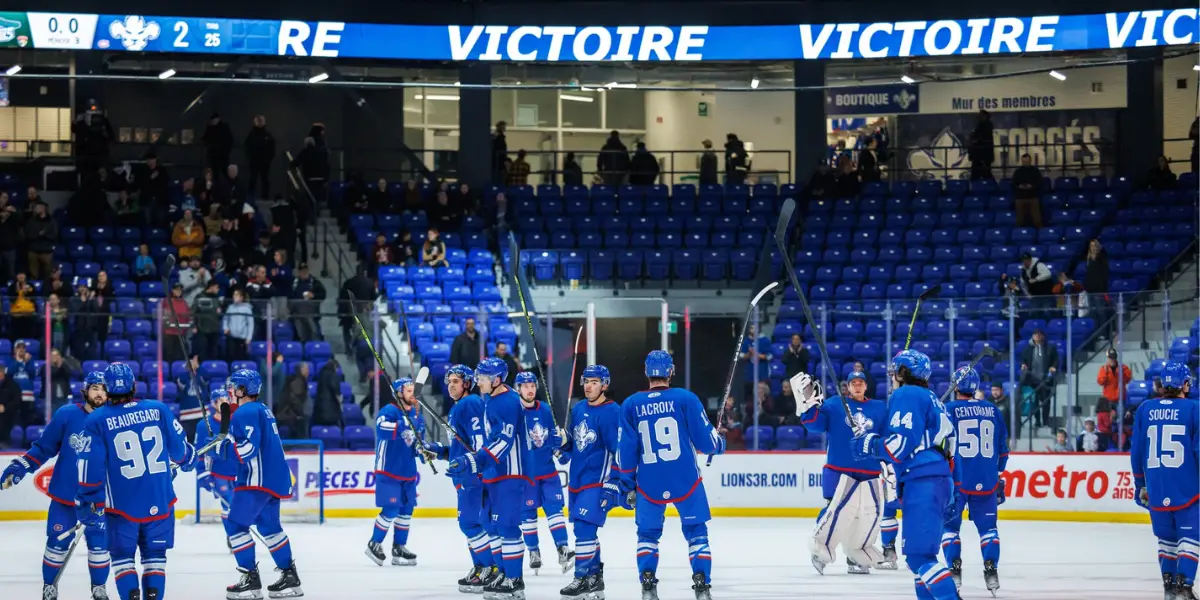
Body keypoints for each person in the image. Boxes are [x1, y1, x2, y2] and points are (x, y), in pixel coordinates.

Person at [76, 363, 197, 600]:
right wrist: (189, 458)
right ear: (133, 385)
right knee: (155, 560)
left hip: (122, 508)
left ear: (108, 388)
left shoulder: (97, 420)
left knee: (123, 560)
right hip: (160, 502)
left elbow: (90, 470)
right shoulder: (158, 409)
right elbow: (182, 453)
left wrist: (87, 500)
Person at [849, 349, 958, 600]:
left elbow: (899, 445)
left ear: (903, 372)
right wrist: (954, 490)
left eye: (895, 370)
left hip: (922, 481)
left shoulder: (906, 393)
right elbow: (952, 449)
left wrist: (869, 444)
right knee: (923, 559)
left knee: (919, 558)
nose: (892, 376)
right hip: (938, 481)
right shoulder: (934, 399)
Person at [615, 351, 723, 600]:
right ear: (671, 372)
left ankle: (648, 583)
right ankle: (701, 583)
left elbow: (626, 452)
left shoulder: (631, 404)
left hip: (649, 481)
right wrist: (719, 442)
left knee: (648, 535)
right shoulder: (686, 399)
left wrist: (627, 484)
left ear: (646, 372)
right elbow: (707, 444)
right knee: (696, 531)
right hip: (685, 478)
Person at [1, 371, 110, 600]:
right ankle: (49, 586)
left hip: (99, 500)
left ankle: (99, 589)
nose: (99, 394)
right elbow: (43, 447)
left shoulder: (114, 420)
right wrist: (21, 465)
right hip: (66, 496)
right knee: (56, 544)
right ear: (85, 391)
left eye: (103, 389)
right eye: (94, 388)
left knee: (100, 547)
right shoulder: (67, 415)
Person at [446, 357, 530, 598]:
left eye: (482, 378)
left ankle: (515, 580)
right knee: (493, 525)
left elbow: (503, 441)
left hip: (510, 473)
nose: (478, 382)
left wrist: (473, 460)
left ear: (496, 380)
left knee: (507, 525)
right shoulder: (490, 400)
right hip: (495, 472)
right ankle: (503, 573)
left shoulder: (507, 402)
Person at [795, 370, 888, 575]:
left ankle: (855, 555)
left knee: (866, 516)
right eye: (853, 382)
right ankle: (820, 551)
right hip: (839, 470)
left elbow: (888, 437)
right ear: (847, 386)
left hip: (869, 472)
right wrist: (808, 406)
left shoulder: (880, 408)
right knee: (834, 511)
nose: (857, 386)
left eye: (860, 382)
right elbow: (815, 426)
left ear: (866, 386)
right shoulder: (836, 404)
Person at [222, 369, 305, 599]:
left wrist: (224, 448)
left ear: (243, 390)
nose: (231, 391)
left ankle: (250, 580)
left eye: (234, 387)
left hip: (256, 480)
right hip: (272, 478)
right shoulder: (262, 409)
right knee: (270, 528)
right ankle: (290, 578)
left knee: (236, 526)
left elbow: (248, 449)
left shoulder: (245, 411)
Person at [423, 365, 498, 593]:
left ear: (467, 383)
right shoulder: (459, 407)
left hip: (473, 475)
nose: (451, 385)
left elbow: (478, 441)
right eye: (449, 382)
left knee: (470, 523)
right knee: (471, 523)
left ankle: (491, 568)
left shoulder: (470, 403)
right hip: (466, 474)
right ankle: (479, 567)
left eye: (456, 381)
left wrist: (476, 465)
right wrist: (438, 450)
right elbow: (458, 447)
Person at [1131, 362, 1198, 600]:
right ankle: (1184, 587)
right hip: (1188, 489)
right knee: (1190, 539)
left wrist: (1140, 484)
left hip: (1156, 490)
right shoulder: (1194, 409)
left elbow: (1137, 451)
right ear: (1186, 384)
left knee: (1167, 541)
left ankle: (1169, 588)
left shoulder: (1145, 409)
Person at [942, 366, 1008, 594]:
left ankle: (954, 569)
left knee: (950, 528)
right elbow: (1003, 450)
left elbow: (939, 445)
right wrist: (997, 472)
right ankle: (991, 570)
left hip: (956, 482)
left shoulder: (947, 409)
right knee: (988, 529)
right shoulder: (992, 409)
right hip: (986, 480)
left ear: (955, 385)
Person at [558, 364, 621, 600]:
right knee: (582, 529)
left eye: (595, 382)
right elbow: (576, 444)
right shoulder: (579, 408)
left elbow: (620, 451)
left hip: (598, 482)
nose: (589, 386)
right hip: (577, 481)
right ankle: (595, 579)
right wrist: (563, 443)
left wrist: (615, 481)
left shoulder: (613, 412)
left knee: (585, 528)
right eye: (586, 381)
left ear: (605, 385)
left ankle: (581, 577)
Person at [365, 377, 428, 567]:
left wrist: (423, 451)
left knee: (406, 510)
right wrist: (404, 425)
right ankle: (374, 544)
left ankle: (399, 547)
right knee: (391, 509)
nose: (412, 394)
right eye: (408, 391)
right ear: (399, 393)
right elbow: (382, 429)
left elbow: (418, 441)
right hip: (389, 470)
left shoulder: (417, 415)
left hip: (408, 471)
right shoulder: (389, 411)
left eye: (412, 390)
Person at [513, 371, 573, 574]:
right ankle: (533, 551)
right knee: (528, 515)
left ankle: (563, 549)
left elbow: (548, 438)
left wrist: (559, 449)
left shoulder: (545, 410)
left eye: (532, 385)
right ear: (518, 389)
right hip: (525, 475)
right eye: (525, 386)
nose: (529, 389)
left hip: (548, 472)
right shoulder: (514, 412)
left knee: (555, 510)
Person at [195, 389, 238, 525]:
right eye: (221, 401)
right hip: (219, 473)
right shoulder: (204, 426)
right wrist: (202, 473)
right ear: (214, 403)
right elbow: (199, 452)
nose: (225, 404)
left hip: (239, 471)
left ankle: (237, 537)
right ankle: (234, 536)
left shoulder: (237, 421)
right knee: (229, 505)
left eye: (227, 400)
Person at [1020, 329, 1059, 430]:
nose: (1037, 336)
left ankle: (1045, 420)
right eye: (1035, 334)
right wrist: (1023, 366)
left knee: (1046, 401)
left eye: (1039, 334)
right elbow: (1023, 361)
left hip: (1046, 379)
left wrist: (1053, 367)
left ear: (1043, 336)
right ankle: (1037, 421)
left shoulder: (1050, 347)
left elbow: (1056, 360)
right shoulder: (1027, 349)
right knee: (1034, 401)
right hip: (1032, 379)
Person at [244, 115, 276, 199]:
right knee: (253, 180)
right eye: (258, 121)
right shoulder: (252, 135)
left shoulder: (268, 135)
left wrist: (268, 159)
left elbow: (272, 149)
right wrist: (250, 157)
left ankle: (265, 197)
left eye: (261, 121)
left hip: (265, 163)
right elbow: (247, 147)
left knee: (265, 180)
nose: (260, 122)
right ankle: (250, 197)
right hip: (254, 161)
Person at [1011, 154, 1043, 228]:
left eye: (1027, 161)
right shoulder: (1018, 171)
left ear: (1030, 161)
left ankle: (1039, 230)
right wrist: (1019, 186)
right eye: (1024, 161)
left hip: (1032, 196)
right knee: (1019, 218)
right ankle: (1019, 231)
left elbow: (1039, 182)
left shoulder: (1035, 171)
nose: (1025, 162)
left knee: (1037, 217)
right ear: (1022, 161)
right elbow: (1014, 183)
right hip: (1020, 196)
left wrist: (1032, 186)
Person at [222, 288, 254, 362]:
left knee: (240, 357)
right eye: (234, 295)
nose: (234, 296)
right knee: (230, 356)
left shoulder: (247, 308)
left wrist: (249, 337)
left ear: (241, 297)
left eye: (236, 295)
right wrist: (225, 328)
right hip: (231, 336)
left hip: (242, 338)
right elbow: (225, 319)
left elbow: (250, 323)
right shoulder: (230, 307)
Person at [968, 109, 994, 181]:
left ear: (985, 116)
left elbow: (982, 137)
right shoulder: (979, 125)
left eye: (981, 115)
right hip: (978, 154)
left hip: (984, 154)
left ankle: (992, 187)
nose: (978, 117)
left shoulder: (988, 125)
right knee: (977, 173)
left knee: (985, 172)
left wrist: (975, 139)